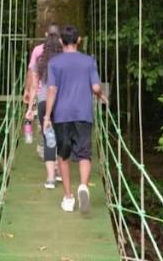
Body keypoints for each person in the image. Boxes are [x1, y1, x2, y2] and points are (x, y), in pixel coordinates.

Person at [43, 25, 107, 214]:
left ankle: (68, 197)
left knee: (63, 156)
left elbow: (52, 90)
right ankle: (84, 187)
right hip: (83, 114)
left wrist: (47, 116)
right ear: (79, 40)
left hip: (62, 115)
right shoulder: (89, 61)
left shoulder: (54, 63)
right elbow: (95, 87)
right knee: (84, 154)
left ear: (61, 41)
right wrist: (101, 95)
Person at [25, 33, 63, 187]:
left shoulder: (40, 64)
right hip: (61, 103)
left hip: (42, 102)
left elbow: (34, 86)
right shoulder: (64, 62)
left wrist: (30, 108)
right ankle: (59, 170)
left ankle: (50, 179)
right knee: (61, 137)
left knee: (49, 138)